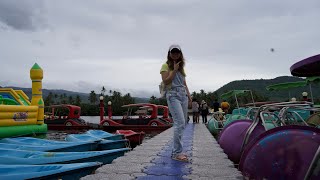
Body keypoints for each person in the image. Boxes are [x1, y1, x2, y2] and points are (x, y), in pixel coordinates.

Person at [160, 44, 192, 162]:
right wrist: (174, 70)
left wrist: (189, 96)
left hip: (182, 95)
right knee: (179, 123)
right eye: (172, 52)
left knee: (183, 124)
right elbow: (166, 80)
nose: (175, 54)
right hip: (173, 95)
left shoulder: (181, 67)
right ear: (169, 54)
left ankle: (178, 150)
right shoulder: (165, 66)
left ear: (180, 53)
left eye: (177, 52)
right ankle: (176, 153)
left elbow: (184, 82)